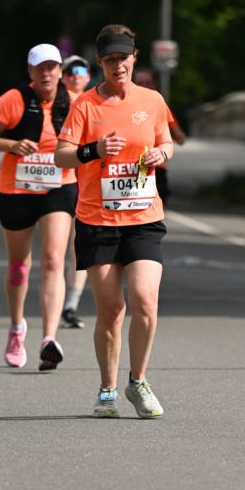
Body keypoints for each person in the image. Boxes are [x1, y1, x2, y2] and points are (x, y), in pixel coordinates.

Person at [55, 23, 174, 418]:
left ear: (133, 58)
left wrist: (163, 154)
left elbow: (165, 139)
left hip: (143, 217)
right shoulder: (85, 105)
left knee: (144, 300)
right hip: (98, 220)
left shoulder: (153, 100)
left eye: (123, 58)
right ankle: (107, 389)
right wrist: (94, 150)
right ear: (100, 63)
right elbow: (62, 155)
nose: (117, 66)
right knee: (111, 310)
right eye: (109, 60)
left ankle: (138, 382)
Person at [0, 44, 76, 371]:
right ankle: (17, 327)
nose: (46, 73)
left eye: (52, 67)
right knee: (19, 265)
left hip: (58, 187)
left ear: (61, 71)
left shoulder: (74, 102)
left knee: (53, 258)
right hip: (16, 189)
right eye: (40, 68)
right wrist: (12, 144)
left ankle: (49, 338)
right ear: (30, 73)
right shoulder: (14, 100)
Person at [61, 54, 92, 329]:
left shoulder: (96, 103)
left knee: (77, 246)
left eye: (81, 70)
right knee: (55, 249)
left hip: (85, 182)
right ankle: (58, 295)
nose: (75, 75)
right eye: (70, 71)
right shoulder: (54, 102)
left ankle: (70, 305)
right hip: (56, 181)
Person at [133, 65, 187, 205]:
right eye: (140, 83)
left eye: (147, 82)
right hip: (133, 167)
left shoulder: (159, 105)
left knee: (158, 209)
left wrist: (166, 138)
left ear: (154, 84)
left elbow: (180, 138)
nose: (144, 86)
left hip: (157, 168)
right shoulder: (124, 104)